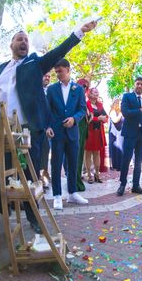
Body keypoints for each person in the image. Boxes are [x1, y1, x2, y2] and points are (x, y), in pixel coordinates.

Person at [0, 21, 96, 232]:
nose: (24, 42)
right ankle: (2, 220)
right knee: (0, 177)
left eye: (26, 40)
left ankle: (33, 218)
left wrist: (79, 33)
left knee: (29, 177)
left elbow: (57, 52)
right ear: (11, 44)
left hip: (26, 131)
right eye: (20, 38)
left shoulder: (34, 64)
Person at [45, 59, 88, 209]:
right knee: (56, 164)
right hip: (56, 134)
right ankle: (57, 195)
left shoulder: (78, 89)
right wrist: (47, 127)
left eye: (60, 71)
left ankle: (72, 193)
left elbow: (83, 109)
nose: (57, 74)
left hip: (72, 133)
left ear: (68, 70)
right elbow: (47, 111)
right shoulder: (51, 90)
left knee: (73, 164)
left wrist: (74, 119)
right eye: (56, 72)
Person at [117, 76, 142, 197]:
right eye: (138, 83)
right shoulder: (127, 97)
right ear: (134, 84)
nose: (139, 86)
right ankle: (122, 184)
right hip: (129, 133)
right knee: (126, 160)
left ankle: (136, 185)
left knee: (139, 162)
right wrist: (141, 110)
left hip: (141, 134)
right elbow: (125, 113)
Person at [84, 87, 107, 184]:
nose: (97, 93)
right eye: (95, 92)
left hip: (98, 132)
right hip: (89, 132)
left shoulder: (100, 104)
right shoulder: (86, 104)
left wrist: (104, 118)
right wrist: (98, 118)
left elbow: (106, 116)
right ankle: (89, 175)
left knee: (97, 153)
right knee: (88, 154)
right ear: (90, 93)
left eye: (98, 91)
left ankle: (97, 174)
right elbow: (86, 117)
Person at [39, 72, 52, 189]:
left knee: (45, 152)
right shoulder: (35, 90)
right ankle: (37, 179)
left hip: (47, 128)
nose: (47, 77)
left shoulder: (50, 91)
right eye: (45, 76)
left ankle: (44, 175)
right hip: (35, 127)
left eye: (49, 76)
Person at [108, 98, 123, 171]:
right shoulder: (112, 112)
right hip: (114, 134)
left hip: (120, 133)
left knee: (120, 149)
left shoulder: (120, 112)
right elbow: (115, 120)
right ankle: (114, 166)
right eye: (119, 103)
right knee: (114, 149)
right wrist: (120, 114)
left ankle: (119, 165)